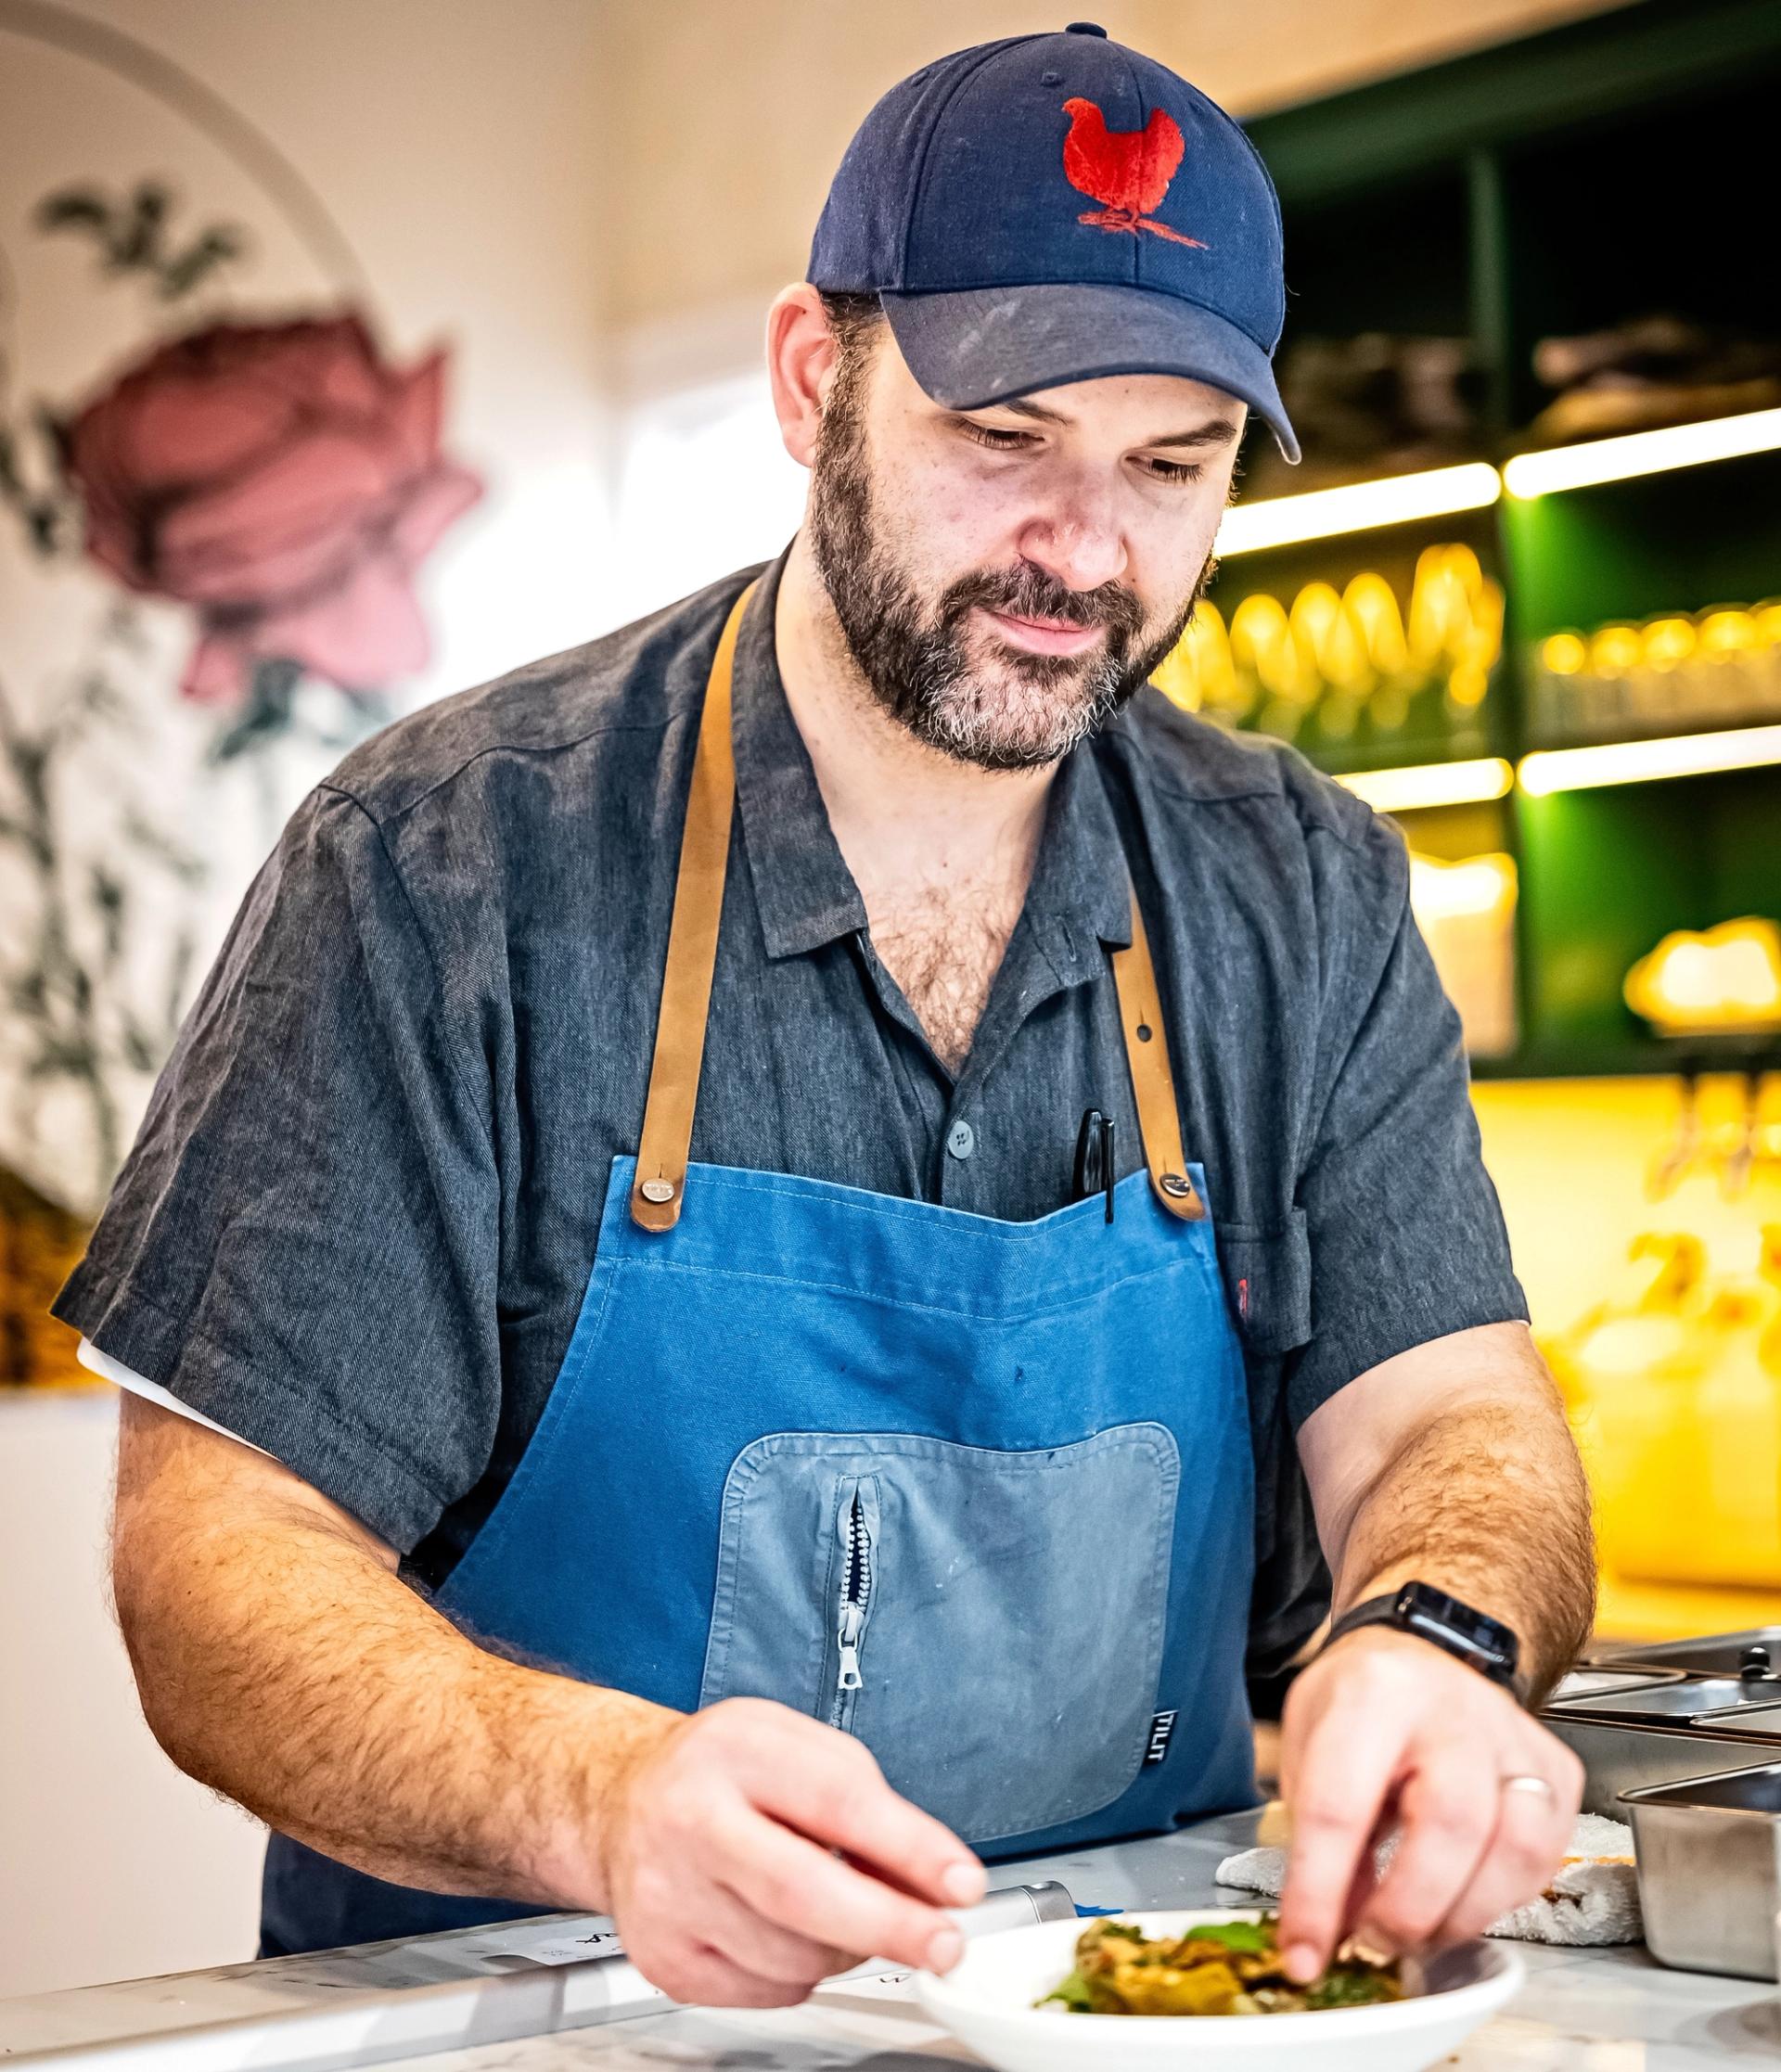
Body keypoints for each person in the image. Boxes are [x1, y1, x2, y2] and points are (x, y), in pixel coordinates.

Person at [58, 24, 1595, 2009]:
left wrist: (1438, 1632)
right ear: (813, 381)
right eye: (1006, 436)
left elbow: (1456, 1416)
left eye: (1170, 466)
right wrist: (593, 1791)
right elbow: (214, 1567)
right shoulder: (445, 866)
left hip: (1148, 2010)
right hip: (548, 2018)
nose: (1084, 549)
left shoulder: (1299, 889)